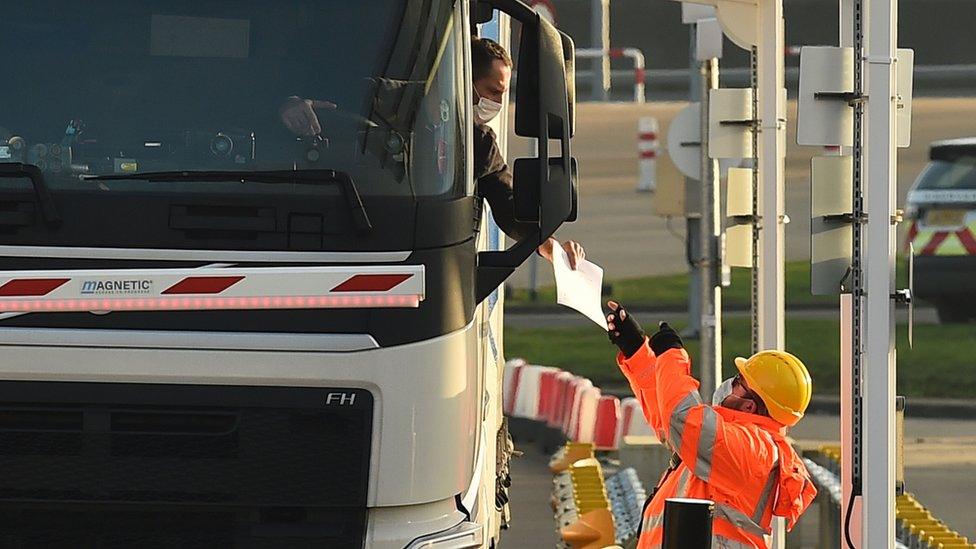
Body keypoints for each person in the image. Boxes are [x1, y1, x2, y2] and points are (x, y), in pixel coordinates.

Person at [278, 37, 585, 268]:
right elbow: (312, 94)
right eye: (494, 91)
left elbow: (510, 209)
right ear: (465, 80)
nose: (498, 104)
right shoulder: (390, 97)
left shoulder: (480, 143)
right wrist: (291, 105)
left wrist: (550, 246)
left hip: (430, 258)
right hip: (345, 242)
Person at [606, 301, 817, 549]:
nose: (731, 383)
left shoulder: (755, 450)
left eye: (739, 381)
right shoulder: (736, 440)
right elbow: (669, 415)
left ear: (750, 405)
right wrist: (637, 351)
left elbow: (681, 419)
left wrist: (672, 356)